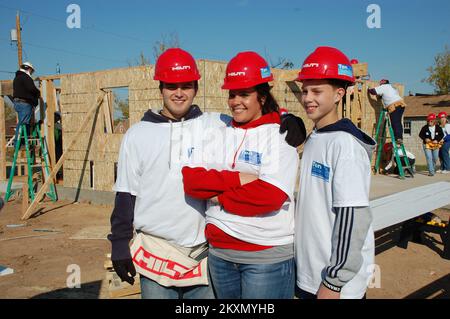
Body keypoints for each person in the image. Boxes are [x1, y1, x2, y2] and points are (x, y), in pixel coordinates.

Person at [108, 48, 306, 299]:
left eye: (186, 86)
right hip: (156, 251)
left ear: (196, 88)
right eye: (171, 86)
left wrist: (287, 118)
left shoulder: (214, 124)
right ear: (161, 88)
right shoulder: (137, 135)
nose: (179, 93)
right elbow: (126, 193)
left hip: (203, 255)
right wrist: (119, 244)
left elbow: (254, 117)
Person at [182, 51, 300, 299]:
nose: (236, 101)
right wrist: (238, 179)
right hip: (220, 256)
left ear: (262, 96)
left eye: (244, 94)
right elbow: (192, 182)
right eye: (232, 94)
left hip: (264, 258)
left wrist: (218, 197)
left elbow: (270, 195)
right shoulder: (219, 130)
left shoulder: (281, 136)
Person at [294, 46, 376, 299]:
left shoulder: (345, 145)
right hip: (311, 273)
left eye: (317, 91)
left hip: (336, 285)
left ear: (339, 93)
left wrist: (334, 281)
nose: (308, 98)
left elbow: (353, 217)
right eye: (305, 90)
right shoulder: (317, 137)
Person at [368, 79, 406, 144]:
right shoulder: (391, 87)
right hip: (401, 105)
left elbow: (373, 91)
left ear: (382, 84)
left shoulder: (384, 87)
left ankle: (398, 138)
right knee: (398, 122)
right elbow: (386, 95)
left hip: (394, 106)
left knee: (395, 122)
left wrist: (368, 89)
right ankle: (399, 137)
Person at [12, 62, 40, 146]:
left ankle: (22, 141)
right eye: (31, 71)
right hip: (24, 103)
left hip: (18, 103)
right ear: (28, 69)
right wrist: (38, 92)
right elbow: (31, 88)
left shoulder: (17, 78)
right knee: (23, 124)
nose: (31, 73)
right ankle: (19, 143)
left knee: (23, 123)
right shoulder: (25, 77)